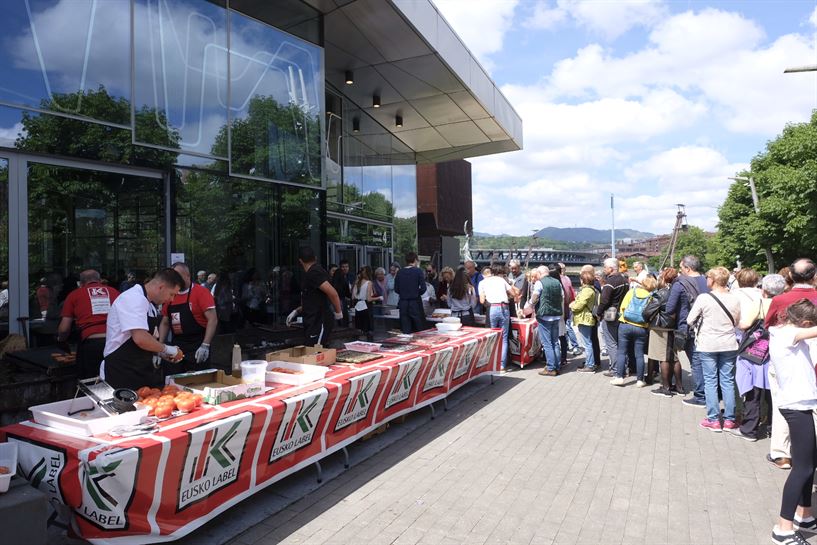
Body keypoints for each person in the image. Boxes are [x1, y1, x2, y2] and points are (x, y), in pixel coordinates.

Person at [767, 299, 817, 545]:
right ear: (805, 323)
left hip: (801, 404)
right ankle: (783, 529)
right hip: (797, 406)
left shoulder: (783, 330)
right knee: (803, 468)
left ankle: (804, 514)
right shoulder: (789, 335)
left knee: (808, 462)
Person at [765, 259, 817, 470]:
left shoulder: (781, 299)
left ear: (791, 276)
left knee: (782, 402)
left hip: (787, 354)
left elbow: (768, 324)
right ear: (814, 276)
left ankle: (782, 453)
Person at [102, 268, 185, 389]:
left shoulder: (150, 305)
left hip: (140, 369)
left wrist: (160, 353)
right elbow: (140, 338)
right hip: (121, 371)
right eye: (172, 294)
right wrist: (167, 349)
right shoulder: (134, 298)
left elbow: (148, 339)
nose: (171, 299)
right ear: (161, 287)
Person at [686, 267, 741, 432]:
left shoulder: (704, 298)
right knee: (728, 380)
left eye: (708, 278)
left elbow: (690, 320)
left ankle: (713, 419)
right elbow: (737, 322)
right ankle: (730, 419)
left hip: (708, 344)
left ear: (713, 280)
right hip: (729, 343)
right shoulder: (734, 298)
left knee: (710, 381)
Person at [733, 272, 783, 441]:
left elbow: (745, 324)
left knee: (753, 392)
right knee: (772, 394)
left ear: (764, 290)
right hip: (776, 352)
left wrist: (737, 324)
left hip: (755, 353)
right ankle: (772, 426)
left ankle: (749, 429)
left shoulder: (759, 303)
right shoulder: (786, 304)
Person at [57, 270, 121, 380]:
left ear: (81, 283)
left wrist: (61, 340)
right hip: (115, 343)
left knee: (91, 382)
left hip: (91, 344)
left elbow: (64, 328)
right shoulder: (114, 292)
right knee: (114, 379)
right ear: (100, 280)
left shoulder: (74, 295)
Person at [158, 263, 218, 373]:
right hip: (177, 346)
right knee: (174, 383)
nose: (175, 280)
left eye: (178, 276)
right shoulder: (170, 294)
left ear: (188, 275)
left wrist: (205, 345)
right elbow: (165, 322)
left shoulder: (201, 292)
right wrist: (159, 347)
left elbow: (212, 319)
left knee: (199, 383)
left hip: (197, 345)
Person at [667, 255, 710, 406]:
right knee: (709, 362)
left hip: (689, 327)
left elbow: (670, 308)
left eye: (681, 268)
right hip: (710, 326)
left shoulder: (680, 284)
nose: (680, 271)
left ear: (687, 268)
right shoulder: (709, 281)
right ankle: (712, 392)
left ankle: (700, 396)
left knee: (696, 362)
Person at [286, 247, 343, 346]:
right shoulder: (313, 272)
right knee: (312, 351)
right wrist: (296, 311)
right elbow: (313, 299)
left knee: (315, 352)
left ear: (300, 261)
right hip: (313, 320)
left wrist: (338, 312)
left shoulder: (314, 272)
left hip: (319, 321)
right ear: (315, 258)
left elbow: (333, 293)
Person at [611, 276, 656, 387]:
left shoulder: (632, 292)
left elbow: (622, 307)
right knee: (639, 354)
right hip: (641, 327)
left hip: (625, 325)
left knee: (621, 352)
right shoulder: (651, 297)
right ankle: (640, 380)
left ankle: (619, 377)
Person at [647, 268, 680, 397]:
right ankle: (679, 386)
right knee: (674, 357)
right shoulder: (678, 290)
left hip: (661, 327)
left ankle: (666, 387)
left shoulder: (662, 293)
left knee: (663, 358)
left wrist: (648, 319)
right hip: (674, 326)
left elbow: (647, 311)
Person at [479, 264, 518, 373]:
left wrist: (489, 301)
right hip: (504, 307)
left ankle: (491, 364)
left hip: (492, 308)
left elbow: (482, 300)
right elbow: (513, 293)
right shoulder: (501, 280)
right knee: (504, 338)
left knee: (492, 337)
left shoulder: (482, 283)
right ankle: (502, 366)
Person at [526, 264, 563, 377]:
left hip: (544, 315)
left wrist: (530, 305)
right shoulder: (557, 282)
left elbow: (535, 297)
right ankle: (557, 365)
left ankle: (551, 367)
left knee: (547, 343)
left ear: (540, 273)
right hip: (556, 315)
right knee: (555, 342)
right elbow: (561, 297)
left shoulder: (539, 283)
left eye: (537, 274)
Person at [595, 258, 629, 377]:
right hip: (622, 313)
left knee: (612, 343)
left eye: (605, 267)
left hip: (610, 314)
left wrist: (598, 313)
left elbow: (604, 301)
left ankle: (616, 369)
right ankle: (624, 367)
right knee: (621, 343)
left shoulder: (610, 282)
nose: (604, 269)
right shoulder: (625, 280)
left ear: (610, 268)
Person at [570, 270, 598, 372]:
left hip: (584, 318)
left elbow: (579, 304)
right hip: (586, 318)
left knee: (587, 343)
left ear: (583, 280)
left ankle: (590, 365)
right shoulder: (591, 289)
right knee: (588, 342)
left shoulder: (587, 290)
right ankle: (589, 362)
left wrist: (571, 305)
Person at [394, 252, 427, 334]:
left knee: (406, 328)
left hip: (403, 302)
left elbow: (396, 289)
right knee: (419, 327)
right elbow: (423, 288)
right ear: (415, 260)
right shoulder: (418, 271)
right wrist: (416, 293)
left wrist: (404, 293)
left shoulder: (400, 272)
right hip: (415, 302)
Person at [558, 263, 581, 360]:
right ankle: (568, 346)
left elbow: (569, 293)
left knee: (567, 327)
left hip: (565, 307)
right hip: (567, 305)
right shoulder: (566, 278)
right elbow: (571, 292)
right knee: (566, 328)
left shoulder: (563, 279)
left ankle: (575, 346)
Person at [353, 266, 381, 340]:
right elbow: (369, 299)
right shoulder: (369, 283)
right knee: (368, 329)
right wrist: (379, 298)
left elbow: (353, 297)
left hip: (358, 306)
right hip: (366, 306)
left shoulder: (357, 282)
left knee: (359, 328)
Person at [332, 260, 353, 326]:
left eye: (346, 267)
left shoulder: (350, 276)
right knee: (342, 318)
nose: (345, 268)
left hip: (340, 299)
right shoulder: (339, 276)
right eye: (343, 267)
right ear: (340, 268)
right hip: (341, 299)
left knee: (340, 317)